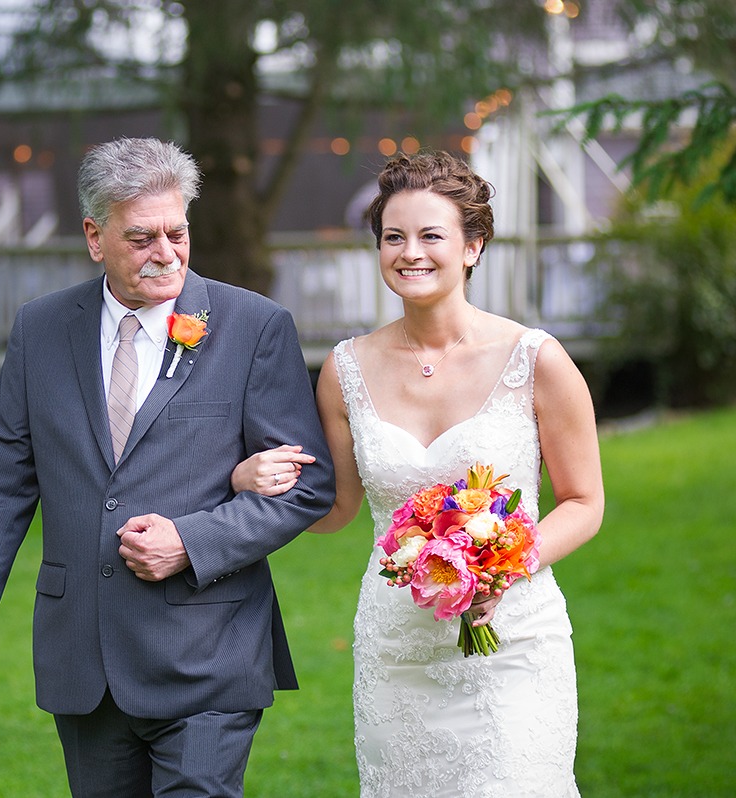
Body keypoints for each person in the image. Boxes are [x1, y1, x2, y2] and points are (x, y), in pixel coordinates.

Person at [0, 137, 335, 797]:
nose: (167, 253)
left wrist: (192, 540)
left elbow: (307, 484)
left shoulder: (252, 327)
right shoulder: (41, 330)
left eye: (177, 232)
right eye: (142, 238)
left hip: (208, 652)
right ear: (95, 237)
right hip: (83, 659)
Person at [234, 150, 604, 796]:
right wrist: (248, 482)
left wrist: (504, 568)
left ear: (473, 247)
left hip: (511, 641)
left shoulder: (535, 359)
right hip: (396, 649)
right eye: (393, 237)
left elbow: (583, 501)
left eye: (432, 235)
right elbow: (338, 509)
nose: (410, 252)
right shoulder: (345, 369)